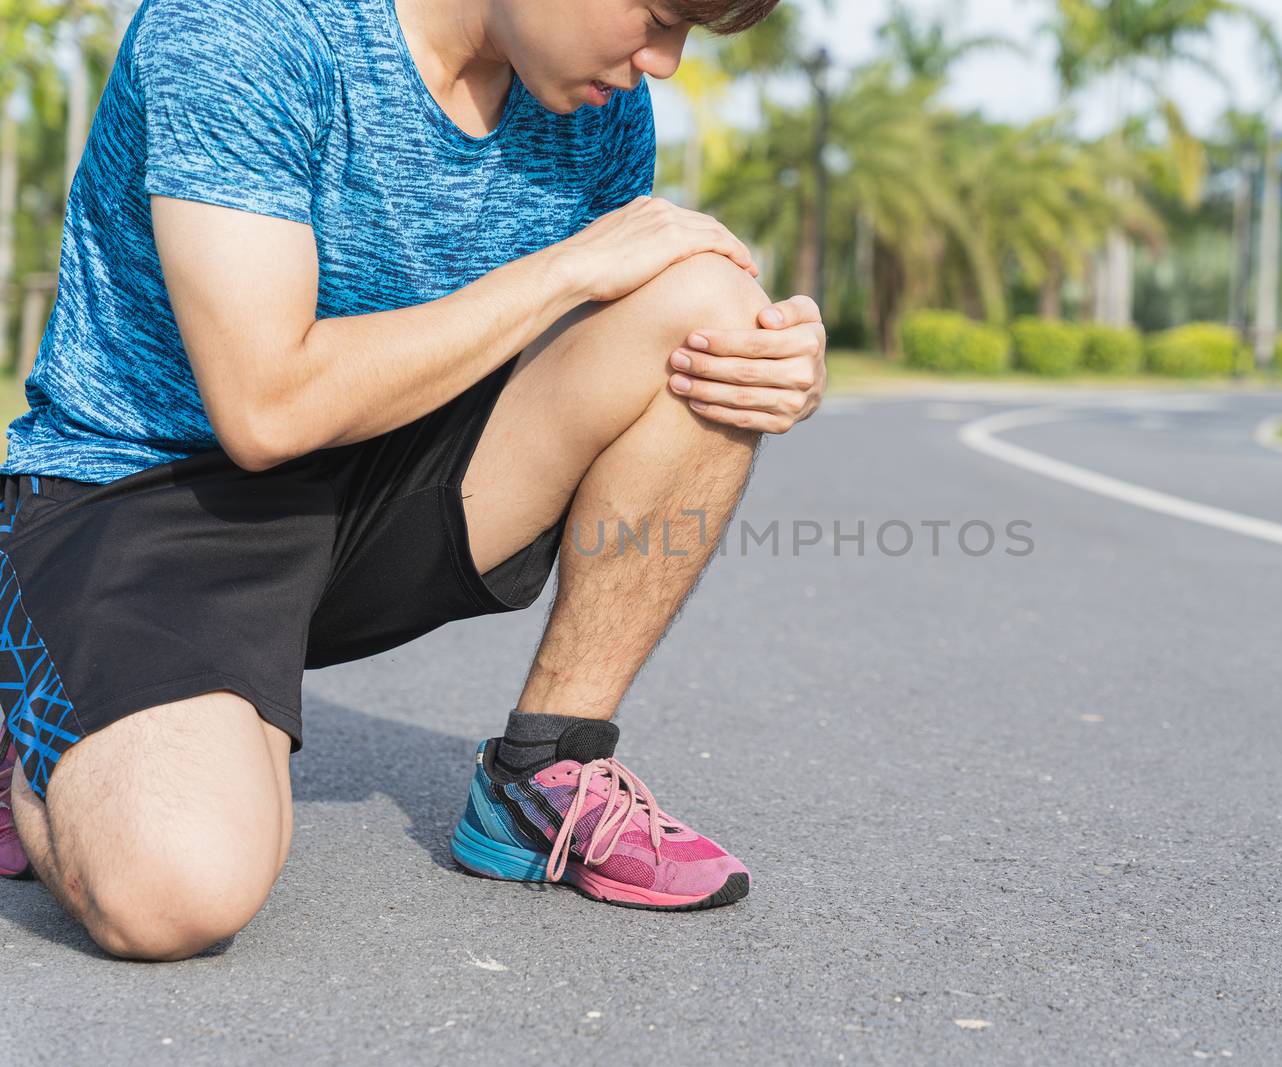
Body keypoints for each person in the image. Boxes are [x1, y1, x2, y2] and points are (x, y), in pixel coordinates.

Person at [0, 0, 827, 960]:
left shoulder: (597, 104)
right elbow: (265, 409)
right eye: (657, 15)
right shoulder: (243, 26)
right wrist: (568, 270)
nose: (667, 62)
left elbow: (607, 330)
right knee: (176, 894)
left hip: (379, 486)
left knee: (711, 305)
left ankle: (543, 771)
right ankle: (37, 729)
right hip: (151, 497)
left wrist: (767, 368)